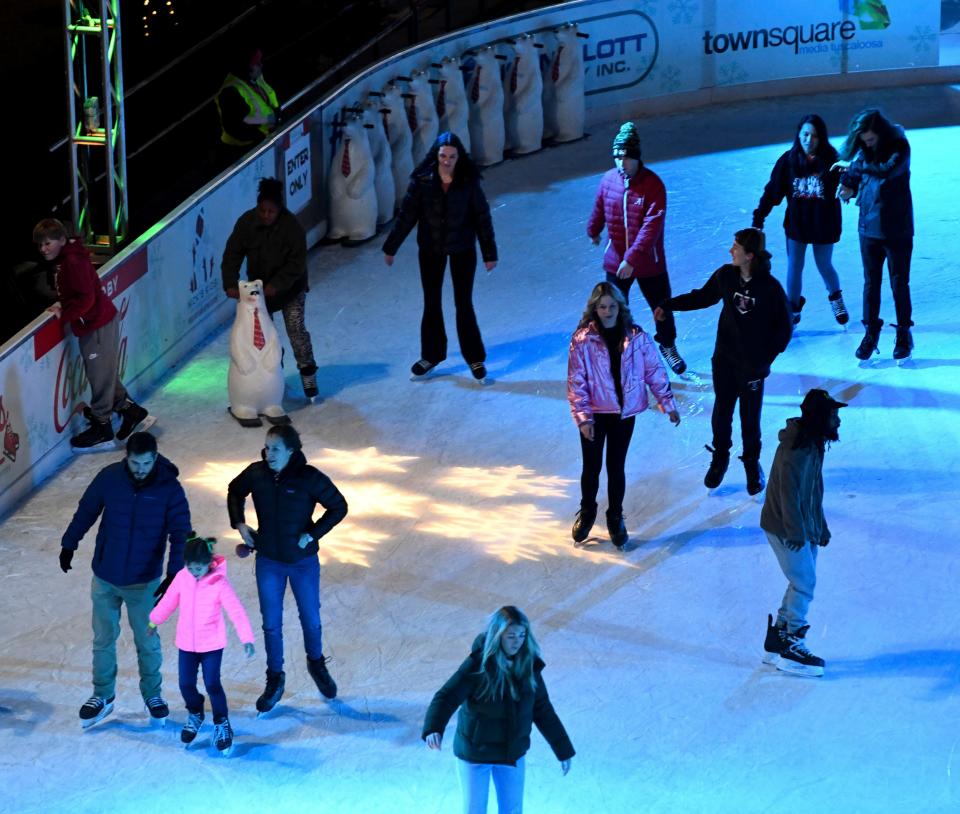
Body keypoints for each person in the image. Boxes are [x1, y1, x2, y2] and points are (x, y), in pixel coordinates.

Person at [59, 431, 191, 728]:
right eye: (135, 463)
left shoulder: (169, 488)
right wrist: (70, 543)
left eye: (146, 463)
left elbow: (181, 532)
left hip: (143, 581)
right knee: (103, 639)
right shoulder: (110, 477)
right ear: (126, 458)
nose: (140, 469)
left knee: (147, 641)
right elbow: (86, 511)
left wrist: (174, 573)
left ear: (155, 458)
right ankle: (103, 695)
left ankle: (152, 695)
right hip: (105, 575)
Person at [654, 228, 792, 495]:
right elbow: (702, 297)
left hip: (752, 366)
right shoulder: (726, 276)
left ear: (749, 255)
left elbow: (784, 329)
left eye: (736, 247)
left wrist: (764, 359)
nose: (731, 251)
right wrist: (668, 304)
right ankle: (720, 457)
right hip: (725, 360)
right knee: (722, 411)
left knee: (750, 418)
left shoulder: (770, 288)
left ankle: (752, 463)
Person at [227, 424, 347, 712]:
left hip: (302, 563)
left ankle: (316, 665)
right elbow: (235, 491)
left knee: (311, 619)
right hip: (269, 561)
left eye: (276, 449)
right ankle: (275, 678)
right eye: (267, 448)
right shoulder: (256, 473)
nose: (269, 454)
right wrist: (239, 523)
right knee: (271, 624)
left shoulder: (308, 478)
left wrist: (314, 534)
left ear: (291, 451)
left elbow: (338, 506)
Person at [422, 606, 574, 814]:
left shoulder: (529, 668)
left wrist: (563, 749)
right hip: (474, 753)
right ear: (497, 635)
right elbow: (447, 696)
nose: (517, 641)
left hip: (511, 753)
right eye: (511, 636)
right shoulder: (478, 666)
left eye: (522, 635)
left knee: (512, 810)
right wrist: (434, 727)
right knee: (474, 810)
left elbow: (543, 710)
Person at [567, 282, 680, 548]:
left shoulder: (636, 337)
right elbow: (576, 380)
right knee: (591, 468)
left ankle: (615, 516)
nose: (607, 311)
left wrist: (667, 402)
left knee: (616, 467)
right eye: (602, 306)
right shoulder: (583, 340)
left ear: (620, 307)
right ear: (595, 309)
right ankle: (587, 512)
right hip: (595, 414)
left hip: (624, 415)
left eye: (612, 306)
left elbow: (654, 370)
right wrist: (583, 418)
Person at [382, 131, 498, 383]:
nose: (447, 160)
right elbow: (407, 216)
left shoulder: (468, 182)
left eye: (452, 156)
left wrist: (489, 253)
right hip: (431, 250)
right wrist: (391, 247)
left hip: (463, 250)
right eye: (443, 155)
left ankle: (474, 357)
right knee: (431, 302)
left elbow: (482, 218)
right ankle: (431, 354)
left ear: (459, 157)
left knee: (463, 304)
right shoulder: (423, 181)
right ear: (436, 156)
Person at [35, 219, 149, 450]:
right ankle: (131, 411)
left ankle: (102, 426)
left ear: (61, 240)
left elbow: (86, 299)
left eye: (48, 243)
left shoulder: (72, 262)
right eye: (40, 245)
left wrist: (65, 313)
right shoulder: (68, 259)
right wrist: (63, 304)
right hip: (95, 323)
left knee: (99, 376)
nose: (43, 249)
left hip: (97, 325)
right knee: (104, 374)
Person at [587, 121, 687, 375]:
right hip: (615, 259)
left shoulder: (653, 186)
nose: (622, 163)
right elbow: (600, 207)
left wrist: (631, 259)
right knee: (613, 309)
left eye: (627, 157)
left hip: (648, 262)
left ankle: (667, 344)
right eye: (617, 157)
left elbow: (651, 228)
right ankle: (618, 350)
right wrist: (593, 230)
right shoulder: (609, 180)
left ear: (637, 158)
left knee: (662, 308)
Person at [759, 388, 846, 678]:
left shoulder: (814, 443)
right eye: (833, 415)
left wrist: (819, 526)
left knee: (801, 581)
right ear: (820, 417)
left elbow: (813, 490)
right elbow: (788, 493)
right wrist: (797, 532)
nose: (838, 421)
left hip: (801, 526)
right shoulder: (796, 447)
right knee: (805, 582)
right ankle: (793, 641)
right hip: (785, 527)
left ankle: (779, 637)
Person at [149, 534, 256, 755]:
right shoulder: (182, 577)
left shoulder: (219, 583)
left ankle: (221, 722)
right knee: (185, 684)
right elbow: (169, 601)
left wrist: (246, 638)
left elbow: (236, 611)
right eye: (191, 567)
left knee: (212, 684)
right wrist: (154, 621)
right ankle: (195, 712)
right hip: (186, 644)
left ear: (209, 563)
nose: (195, 571)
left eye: (199, 567)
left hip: (212, 645)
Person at [222, 177, 319, 399]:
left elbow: (297, 263)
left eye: (271, 212)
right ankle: (276, 376)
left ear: (280, 209)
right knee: (266, 336)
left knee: (296, 331)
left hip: (291, 289)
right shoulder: (246, 223)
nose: (266, 215)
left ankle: (308, 373)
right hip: (260, 293)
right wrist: (230, 282)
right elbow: (232, 253)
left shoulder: (292, 227)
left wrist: (277, 285)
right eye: (262, 210)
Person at [833, 108, 915, 361]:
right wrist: (847, 184)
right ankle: (871, 332)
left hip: (897, 228)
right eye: (863, 141)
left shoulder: (900, 147)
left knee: (899, 283)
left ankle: (903, 333)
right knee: (871, 283)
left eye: (870, 139)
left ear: (880, 132)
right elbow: (856, 172)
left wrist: (854, 167)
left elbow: (885, 171)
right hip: (868, 228)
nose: (866, 144)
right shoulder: (863, 152)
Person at [752, 113, 848, 326]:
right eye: (805, 134)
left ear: (821, 137)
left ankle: (835, 298)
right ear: (799, 135)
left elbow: (849, 181)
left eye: (814, 136)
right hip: (798, 225)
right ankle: (792, 308)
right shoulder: (788, 161)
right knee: (795, 265)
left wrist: (850, 187)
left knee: (824, 264)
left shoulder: (833, 161)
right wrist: (760, 215)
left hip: (824, 225)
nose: (808, 140)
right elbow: (773, 191)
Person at [215, 46, 279, 151]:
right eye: (256, 63)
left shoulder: (255, 78)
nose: (261, 65)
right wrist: (262, 135)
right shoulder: (231, 92)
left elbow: (270, 99)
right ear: (246, 67)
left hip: (267, 139)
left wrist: (276, 117)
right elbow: (235, 128)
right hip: (245, 149)